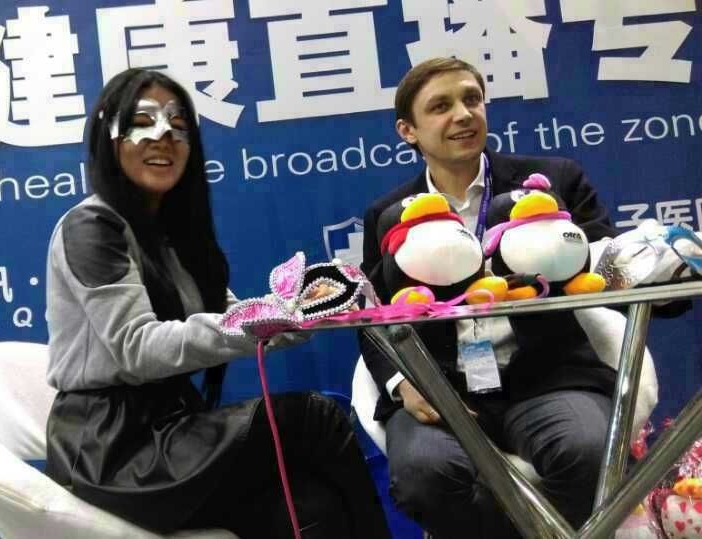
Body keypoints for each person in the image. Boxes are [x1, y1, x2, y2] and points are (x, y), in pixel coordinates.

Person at [44, 68, 391, 539]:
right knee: (315, 417)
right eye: (143, 121)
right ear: (109, 139)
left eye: (177, 125)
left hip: (173, 426)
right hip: (111, 450)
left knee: (311, 505)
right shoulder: (92, 227)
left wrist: (304, 310)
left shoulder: (174, 237)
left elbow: (233, 319)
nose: (163, 136)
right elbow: (136, 347)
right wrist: (270, 317)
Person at [358, 57, 619, 538]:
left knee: (589, 451)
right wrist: (402, 383)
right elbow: (373, 316)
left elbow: (611, 265)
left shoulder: (551, 182)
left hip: (547, 377)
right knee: (422, 477)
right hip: (443, 389)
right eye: (441, 106)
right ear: (408, 131)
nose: (463, 114)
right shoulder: (388, 214)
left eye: (471, 100)